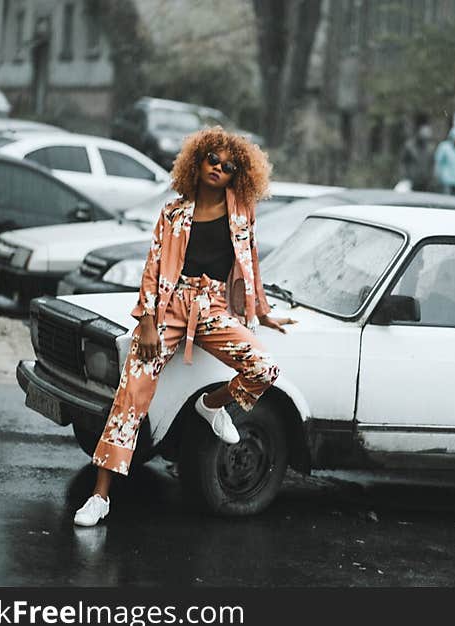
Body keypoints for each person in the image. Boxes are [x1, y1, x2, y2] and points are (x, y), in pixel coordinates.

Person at [73, 126, 295, 527]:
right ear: (198, 160)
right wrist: (145, 320)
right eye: (213, 159)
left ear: (237, 174)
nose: (219, 168)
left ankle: (210, 407)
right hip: (170, 309)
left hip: (213, 308)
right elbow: (153, 266)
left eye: (229, 166)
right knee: (130, 398)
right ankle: (99, 496)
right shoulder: (174, 212)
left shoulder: (242, 212)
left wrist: (261, 313)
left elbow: (251, 264)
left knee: (264, 368)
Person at [399, 124, 435, 192]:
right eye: (424, 138)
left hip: (425, 181)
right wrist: (404, 176)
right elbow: (403, 162)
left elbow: (432, 164)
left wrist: (432, 178)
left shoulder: (430, 148)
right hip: (411, 179)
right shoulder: (409, 146)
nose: (425, 141)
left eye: (427, 139)